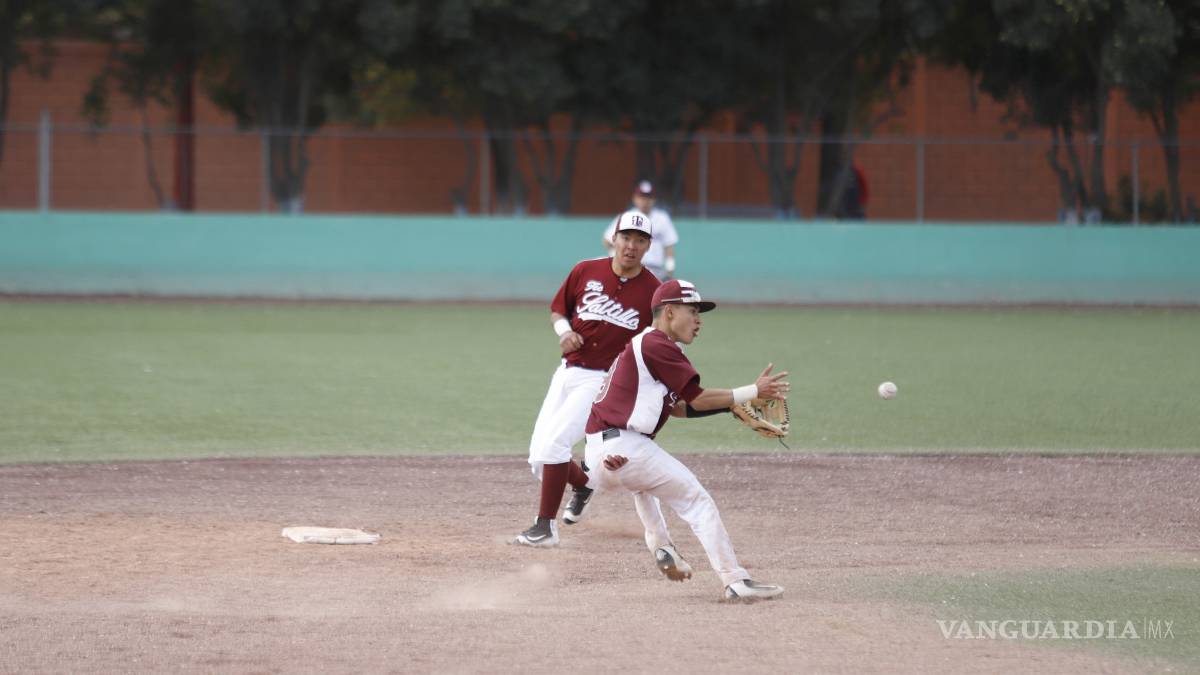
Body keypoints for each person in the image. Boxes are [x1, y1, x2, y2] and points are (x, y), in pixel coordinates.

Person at [581, 279, 790, 601]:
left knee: (643, 484)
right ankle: (735, 580)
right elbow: (698, 396)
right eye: (692, 311)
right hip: (626, 446)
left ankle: (661, 545)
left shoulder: (646, 347)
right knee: (696, 501)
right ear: (669, 312)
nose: (698, 320)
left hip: (601, 455)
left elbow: (679, 407)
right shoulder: (656, 344)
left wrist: (728, 406)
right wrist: (752, 391)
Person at [511, 210, 662, 547]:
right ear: (614, 239)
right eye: (626, 238)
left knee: (555, 446)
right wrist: (564, 331)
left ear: (648, 246)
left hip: (604, 381)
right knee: (539, 459)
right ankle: (584, 484)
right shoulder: (586, 270)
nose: (631, 246)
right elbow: (558, 309)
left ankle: (545, 527)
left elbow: (657, 344)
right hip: (567, 371)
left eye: (640, 240)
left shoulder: (653, 292)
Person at [603, 180, 679, 280]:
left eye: (648, 197)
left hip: (656, 270)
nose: (645, 201)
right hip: (631, 268)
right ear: (635, 198)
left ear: (654, 199)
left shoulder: (662, 218)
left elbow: (669, 245)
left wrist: (670, 268)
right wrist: (615, 257)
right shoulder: (627, 217)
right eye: (642, 197)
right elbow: (607, 239)